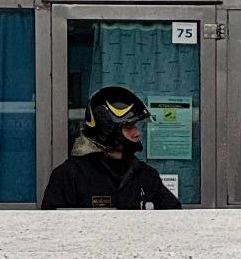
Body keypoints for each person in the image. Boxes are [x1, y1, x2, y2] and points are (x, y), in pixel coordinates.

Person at [41, 86, 181, 210]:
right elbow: (53, 230)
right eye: (129, 127)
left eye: (136, 126)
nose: (137, 133)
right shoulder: (71, 175)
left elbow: (174, 221)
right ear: (108, 130)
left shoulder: (147, 176)